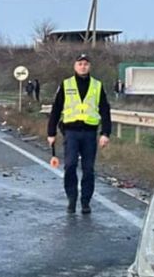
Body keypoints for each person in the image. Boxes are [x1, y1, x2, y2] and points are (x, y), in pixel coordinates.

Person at [47, 53, 111, 214]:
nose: (83, 66)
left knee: (88, 169)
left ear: (90, 66)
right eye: (80, 64)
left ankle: (85, 202)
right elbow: (56, 109)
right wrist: (51, 132)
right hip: (71, 132)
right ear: (75, 66)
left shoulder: (97, 85)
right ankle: (72, 198)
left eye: (86, 64)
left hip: (90, 133)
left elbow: (105, 110)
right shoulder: (66, 84)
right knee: (70, 166)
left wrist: (105, 133)